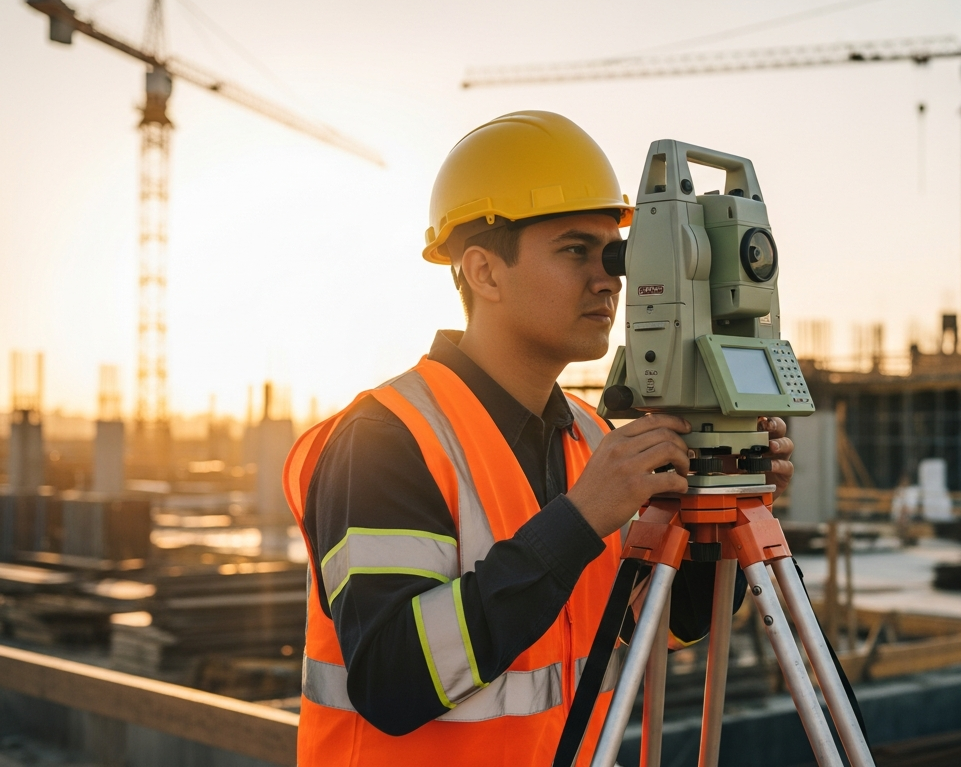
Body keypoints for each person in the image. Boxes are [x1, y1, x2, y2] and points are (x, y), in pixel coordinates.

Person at [282, 111, 794, 766]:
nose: (609, 278)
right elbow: (392, 679)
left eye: (616, 254)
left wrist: (720, 506)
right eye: (575, 250)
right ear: (484, 273)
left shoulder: (587, 435)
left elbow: (656, 625)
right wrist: (579, 520)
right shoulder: (386, 440)